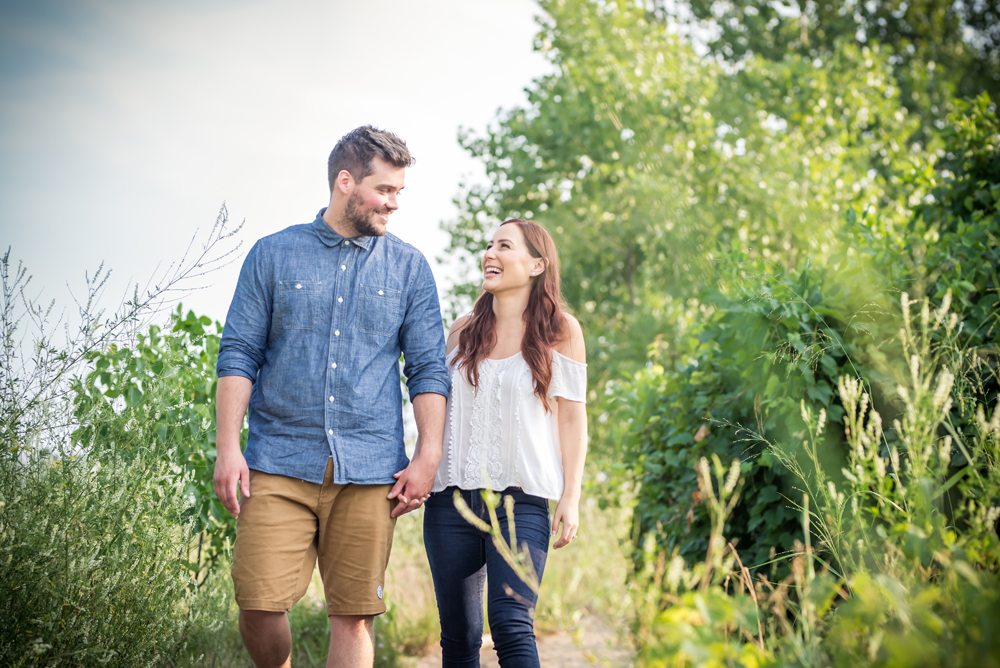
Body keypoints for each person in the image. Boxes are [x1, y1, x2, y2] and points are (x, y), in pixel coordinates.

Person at [213, 125, 449, 668]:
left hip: (369, 469)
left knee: (354, 614)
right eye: (384, 190)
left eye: (399, 192)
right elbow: (238, 354)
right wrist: (229, 448)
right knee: (258, 603)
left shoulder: (410, 268)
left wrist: (427, 454)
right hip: (278, 461)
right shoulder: (272, 255)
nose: (394, 203)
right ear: (346, 182)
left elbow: (428, 368)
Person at [423, 219, 588, 667]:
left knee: (512, 624)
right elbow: (434, 409)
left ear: (537, 263)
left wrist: (570, 496)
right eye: (489, 245)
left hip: (521, 503)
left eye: (504, 246)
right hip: (450, 504)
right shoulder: (461, 331)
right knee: (458, 639)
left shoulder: (561, 330)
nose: (490, 253)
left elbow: (573, 420)